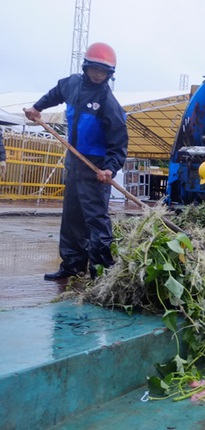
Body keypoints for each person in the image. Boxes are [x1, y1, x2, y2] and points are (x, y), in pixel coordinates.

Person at [24, 42, 128, 281]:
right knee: (71, 218)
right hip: (74, 163)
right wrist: (37, 107)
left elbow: (119, 144)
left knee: (95, 219)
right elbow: (56, 93)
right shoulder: (71, 84)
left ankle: (100, 272)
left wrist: (109, 169)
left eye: (104, 72)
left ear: (110, 75)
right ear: (86, 66)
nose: (99, 74)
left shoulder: (109, 104)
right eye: (95, 69)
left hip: (96, 168)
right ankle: (71, 266)